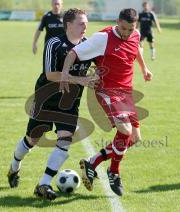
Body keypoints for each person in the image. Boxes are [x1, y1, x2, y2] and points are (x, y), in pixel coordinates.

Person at [60, 8, 153, 196]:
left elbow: (137, 50)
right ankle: (114, 171)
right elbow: (73, 53)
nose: (127, 33)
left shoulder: (135, 34)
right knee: (125, 131)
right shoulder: (103, 38)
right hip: (107, 90)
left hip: (126, 92)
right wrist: (64, 74)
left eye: (130, 29)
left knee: (134, 138)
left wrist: (144, 69)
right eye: (124, 28)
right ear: (118, 22)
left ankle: (92, 162)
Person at [8, 8, 96, 200]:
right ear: (69, 24)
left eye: (86, 23)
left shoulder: (88, 45)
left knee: (64, 142)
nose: (85, 26)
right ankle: (14, 167)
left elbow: (101, 64)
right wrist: (80, 80)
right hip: (46, 99)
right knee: (33, 139)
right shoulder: (54, 43)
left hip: (69, 103)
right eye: (81, 23)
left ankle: (43, 184)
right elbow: (51, 75)